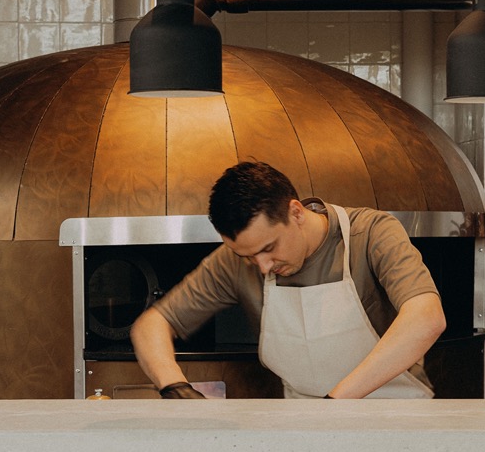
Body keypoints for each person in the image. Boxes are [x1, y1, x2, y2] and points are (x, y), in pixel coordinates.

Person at [131, 161, 445, 399]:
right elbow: (151, 325)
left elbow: (426, 317)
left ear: (295, 212)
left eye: (269, 248)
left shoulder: (371, 233)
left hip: (396, 416)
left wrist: (336, 402)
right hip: (303, 424)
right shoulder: (237, 260)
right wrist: (175, 387)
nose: (262, 266)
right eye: (248, 256)